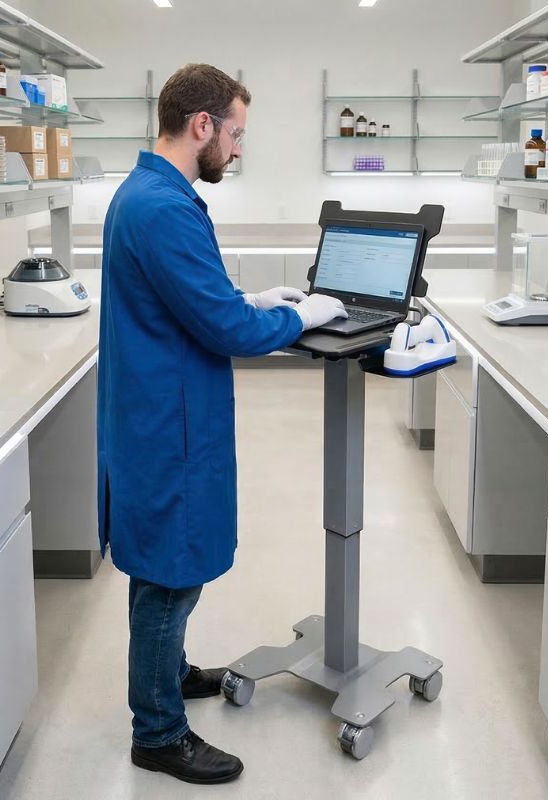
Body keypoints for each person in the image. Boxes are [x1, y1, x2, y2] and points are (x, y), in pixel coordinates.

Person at [97, 63, 346, 785]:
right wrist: (300, 314)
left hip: (158, 411)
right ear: (201, 124)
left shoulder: (149, 192)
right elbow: (222, 325)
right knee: (167, 576)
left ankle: (167, 675)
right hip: (165, 426)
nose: (236, 150)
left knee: (164, 566)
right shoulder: (165, 207)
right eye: (234, 134)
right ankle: (158, 732)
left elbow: (193, 296)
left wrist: (255, 295)